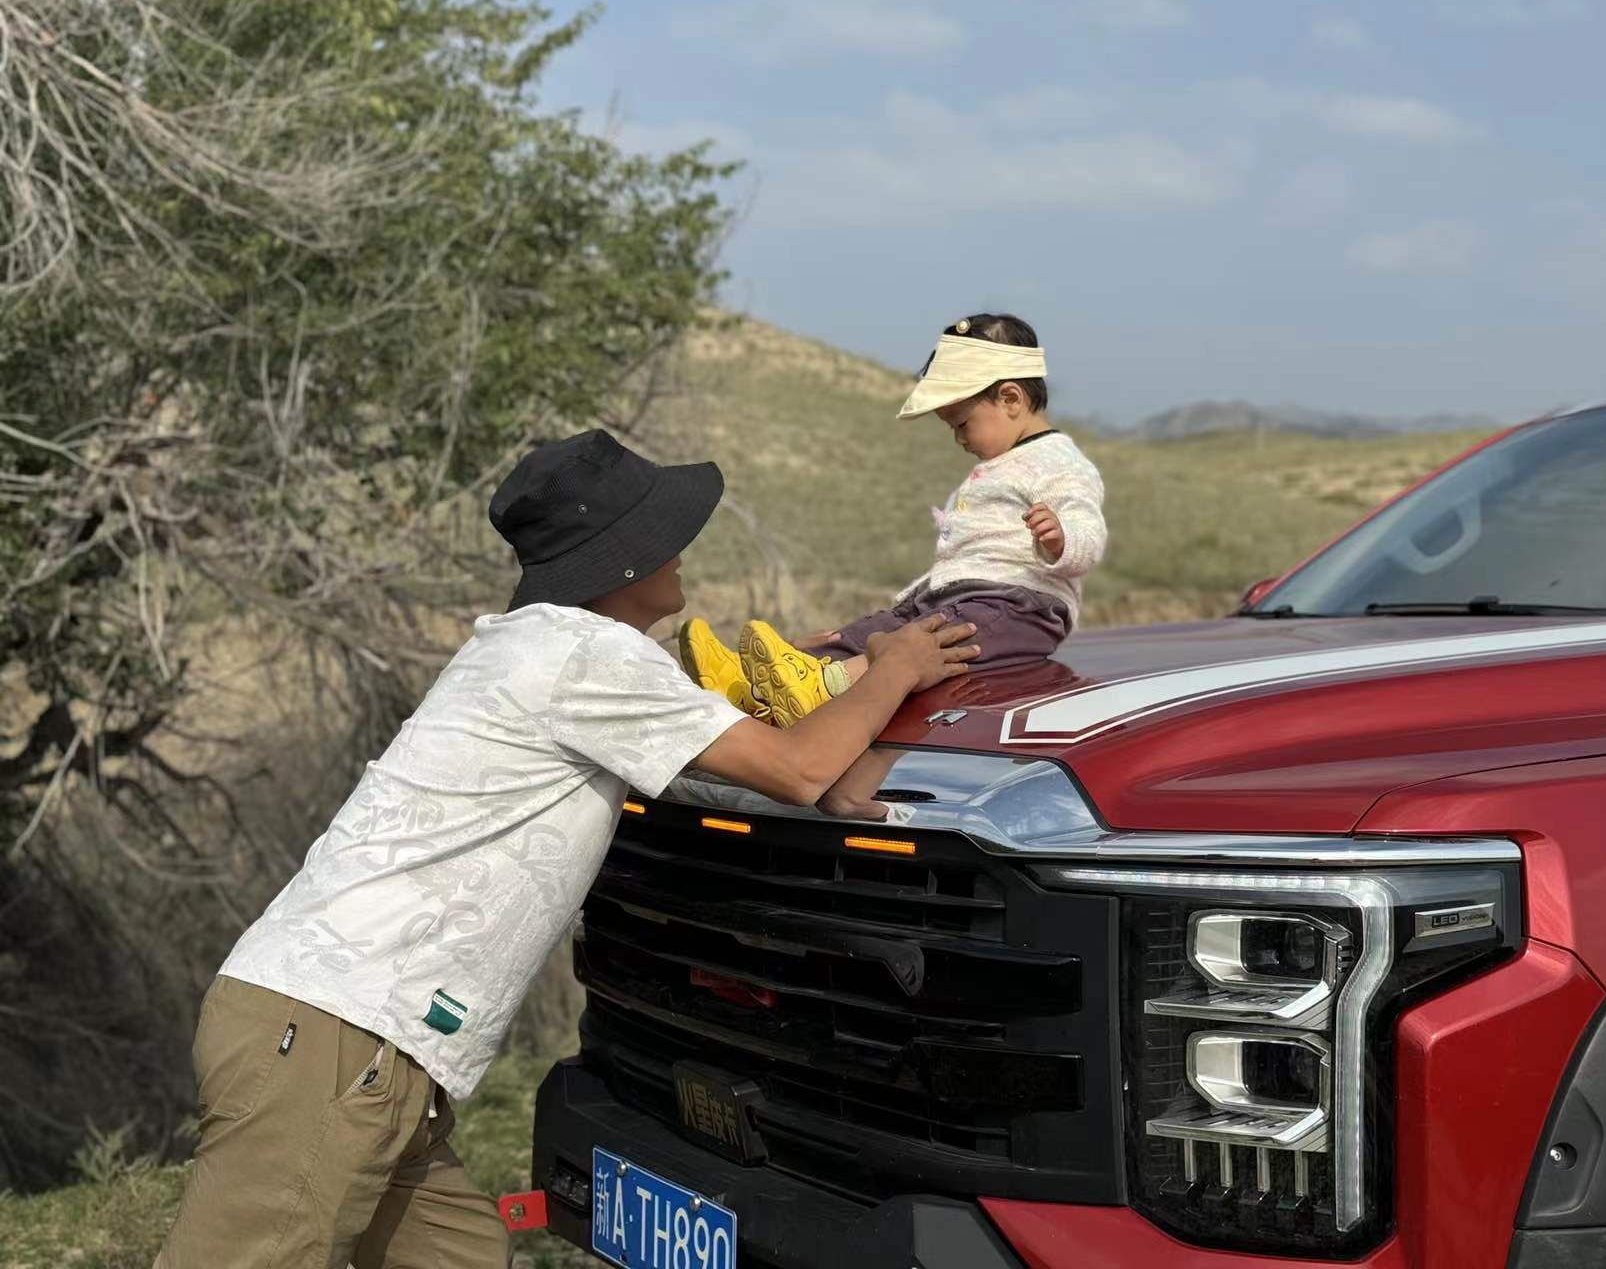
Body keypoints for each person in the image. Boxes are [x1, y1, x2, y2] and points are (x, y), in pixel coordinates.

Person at [152, 430, 978, 1269]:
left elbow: (758, 769)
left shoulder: (534, 646)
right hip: (338, 1033)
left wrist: (840, 754)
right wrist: (898, 666)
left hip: (355, 1038)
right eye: (665, 533)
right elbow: (796, 771)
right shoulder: (588, 657)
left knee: (464, 1256)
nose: (682, 550)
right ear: (624, 558)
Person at [680, 313, 1106, 727]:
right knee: (873, 630)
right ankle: (754, 684)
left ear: (1010, 399)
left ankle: (821, 686)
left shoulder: (1058, 462)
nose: (958, 438)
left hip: (1016, 608)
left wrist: (1062, 539)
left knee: (923, 642)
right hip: (954, 597)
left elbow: (1088, 528)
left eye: (962, 423)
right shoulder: (1004, 463)